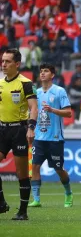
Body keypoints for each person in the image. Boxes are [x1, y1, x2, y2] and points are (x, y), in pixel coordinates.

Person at [28, 63, 73, 208]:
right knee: (35, 166)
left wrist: (53, 110)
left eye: (46, 71)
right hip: (39, 138)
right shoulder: (37, 93)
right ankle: (36, 199)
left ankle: (68, 193)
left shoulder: (59, 91)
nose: (42, 73)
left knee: (59, 169)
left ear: (52, 75)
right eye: (41, 71)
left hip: (55, 138)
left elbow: (68, 112)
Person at [0, 48, 38, 220]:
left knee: (21, 174)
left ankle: (23, 212)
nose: (3, 64)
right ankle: (1, 203)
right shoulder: (0, 83)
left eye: (7, 61)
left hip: (19, 130)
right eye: (2, 61)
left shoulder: (26, 83)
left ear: (17, 64)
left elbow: (33, 108)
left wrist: (31, 128)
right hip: (2, 130)